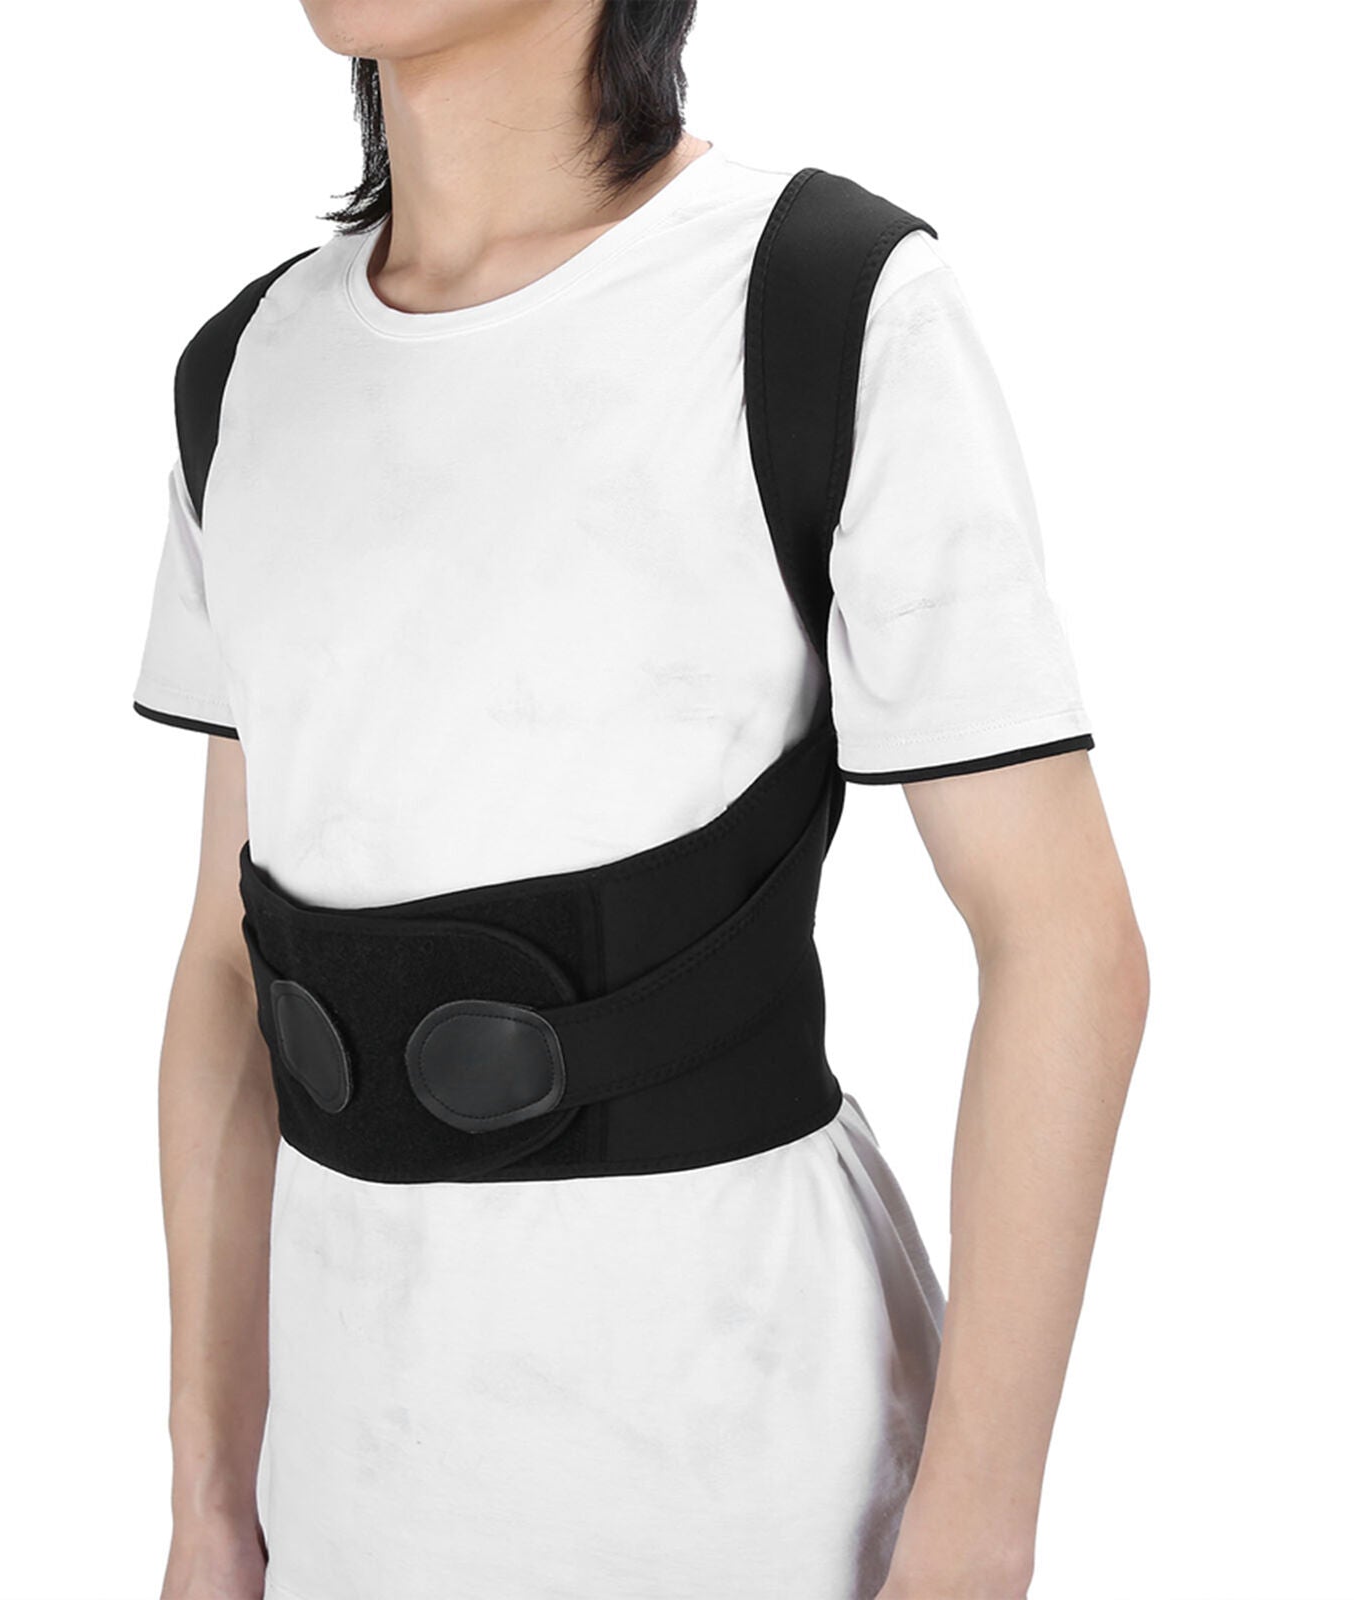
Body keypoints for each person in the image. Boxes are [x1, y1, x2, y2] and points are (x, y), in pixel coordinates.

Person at [133, 3, 1150, 1597]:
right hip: (351, 1505)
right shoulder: (247, 372)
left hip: (756, 1499)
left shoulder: (822, 304)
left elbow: (1067, 944)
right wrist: (206, 1498)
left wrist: (973, 1539)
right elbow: (226, 962)